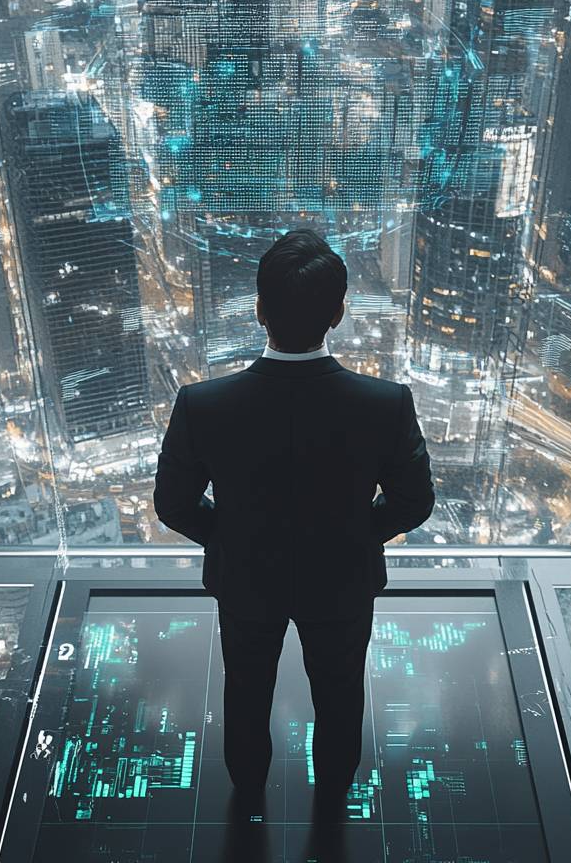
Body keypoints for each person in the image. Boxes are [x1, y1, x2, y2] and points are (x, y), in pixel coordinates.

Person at [153, 228, 434, 808]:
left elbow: (173, 504)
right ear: (338, 313)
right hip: (342, 583)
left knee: (247, 691)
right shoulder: (385, 404)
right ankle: (333, 793)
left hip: (247, 580)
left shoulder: (203, 405)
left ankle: (247, 788)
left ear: (258, 310)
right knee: (339, 695)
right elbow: (414, 502)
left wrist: (232, 537)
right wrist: (352, 535)